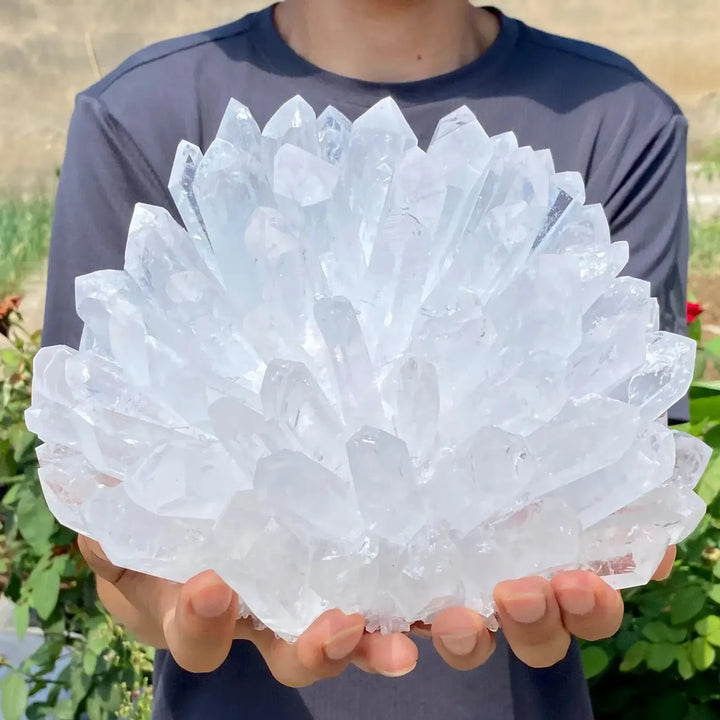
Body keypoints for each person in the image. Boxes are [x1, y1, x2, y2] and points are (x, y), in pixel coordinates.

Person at [43, 2, 687, 718]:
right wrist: (156, 591)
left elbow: (629, 454)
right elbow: (106, 492)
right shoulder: (140, 114)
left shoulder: (622, 120)